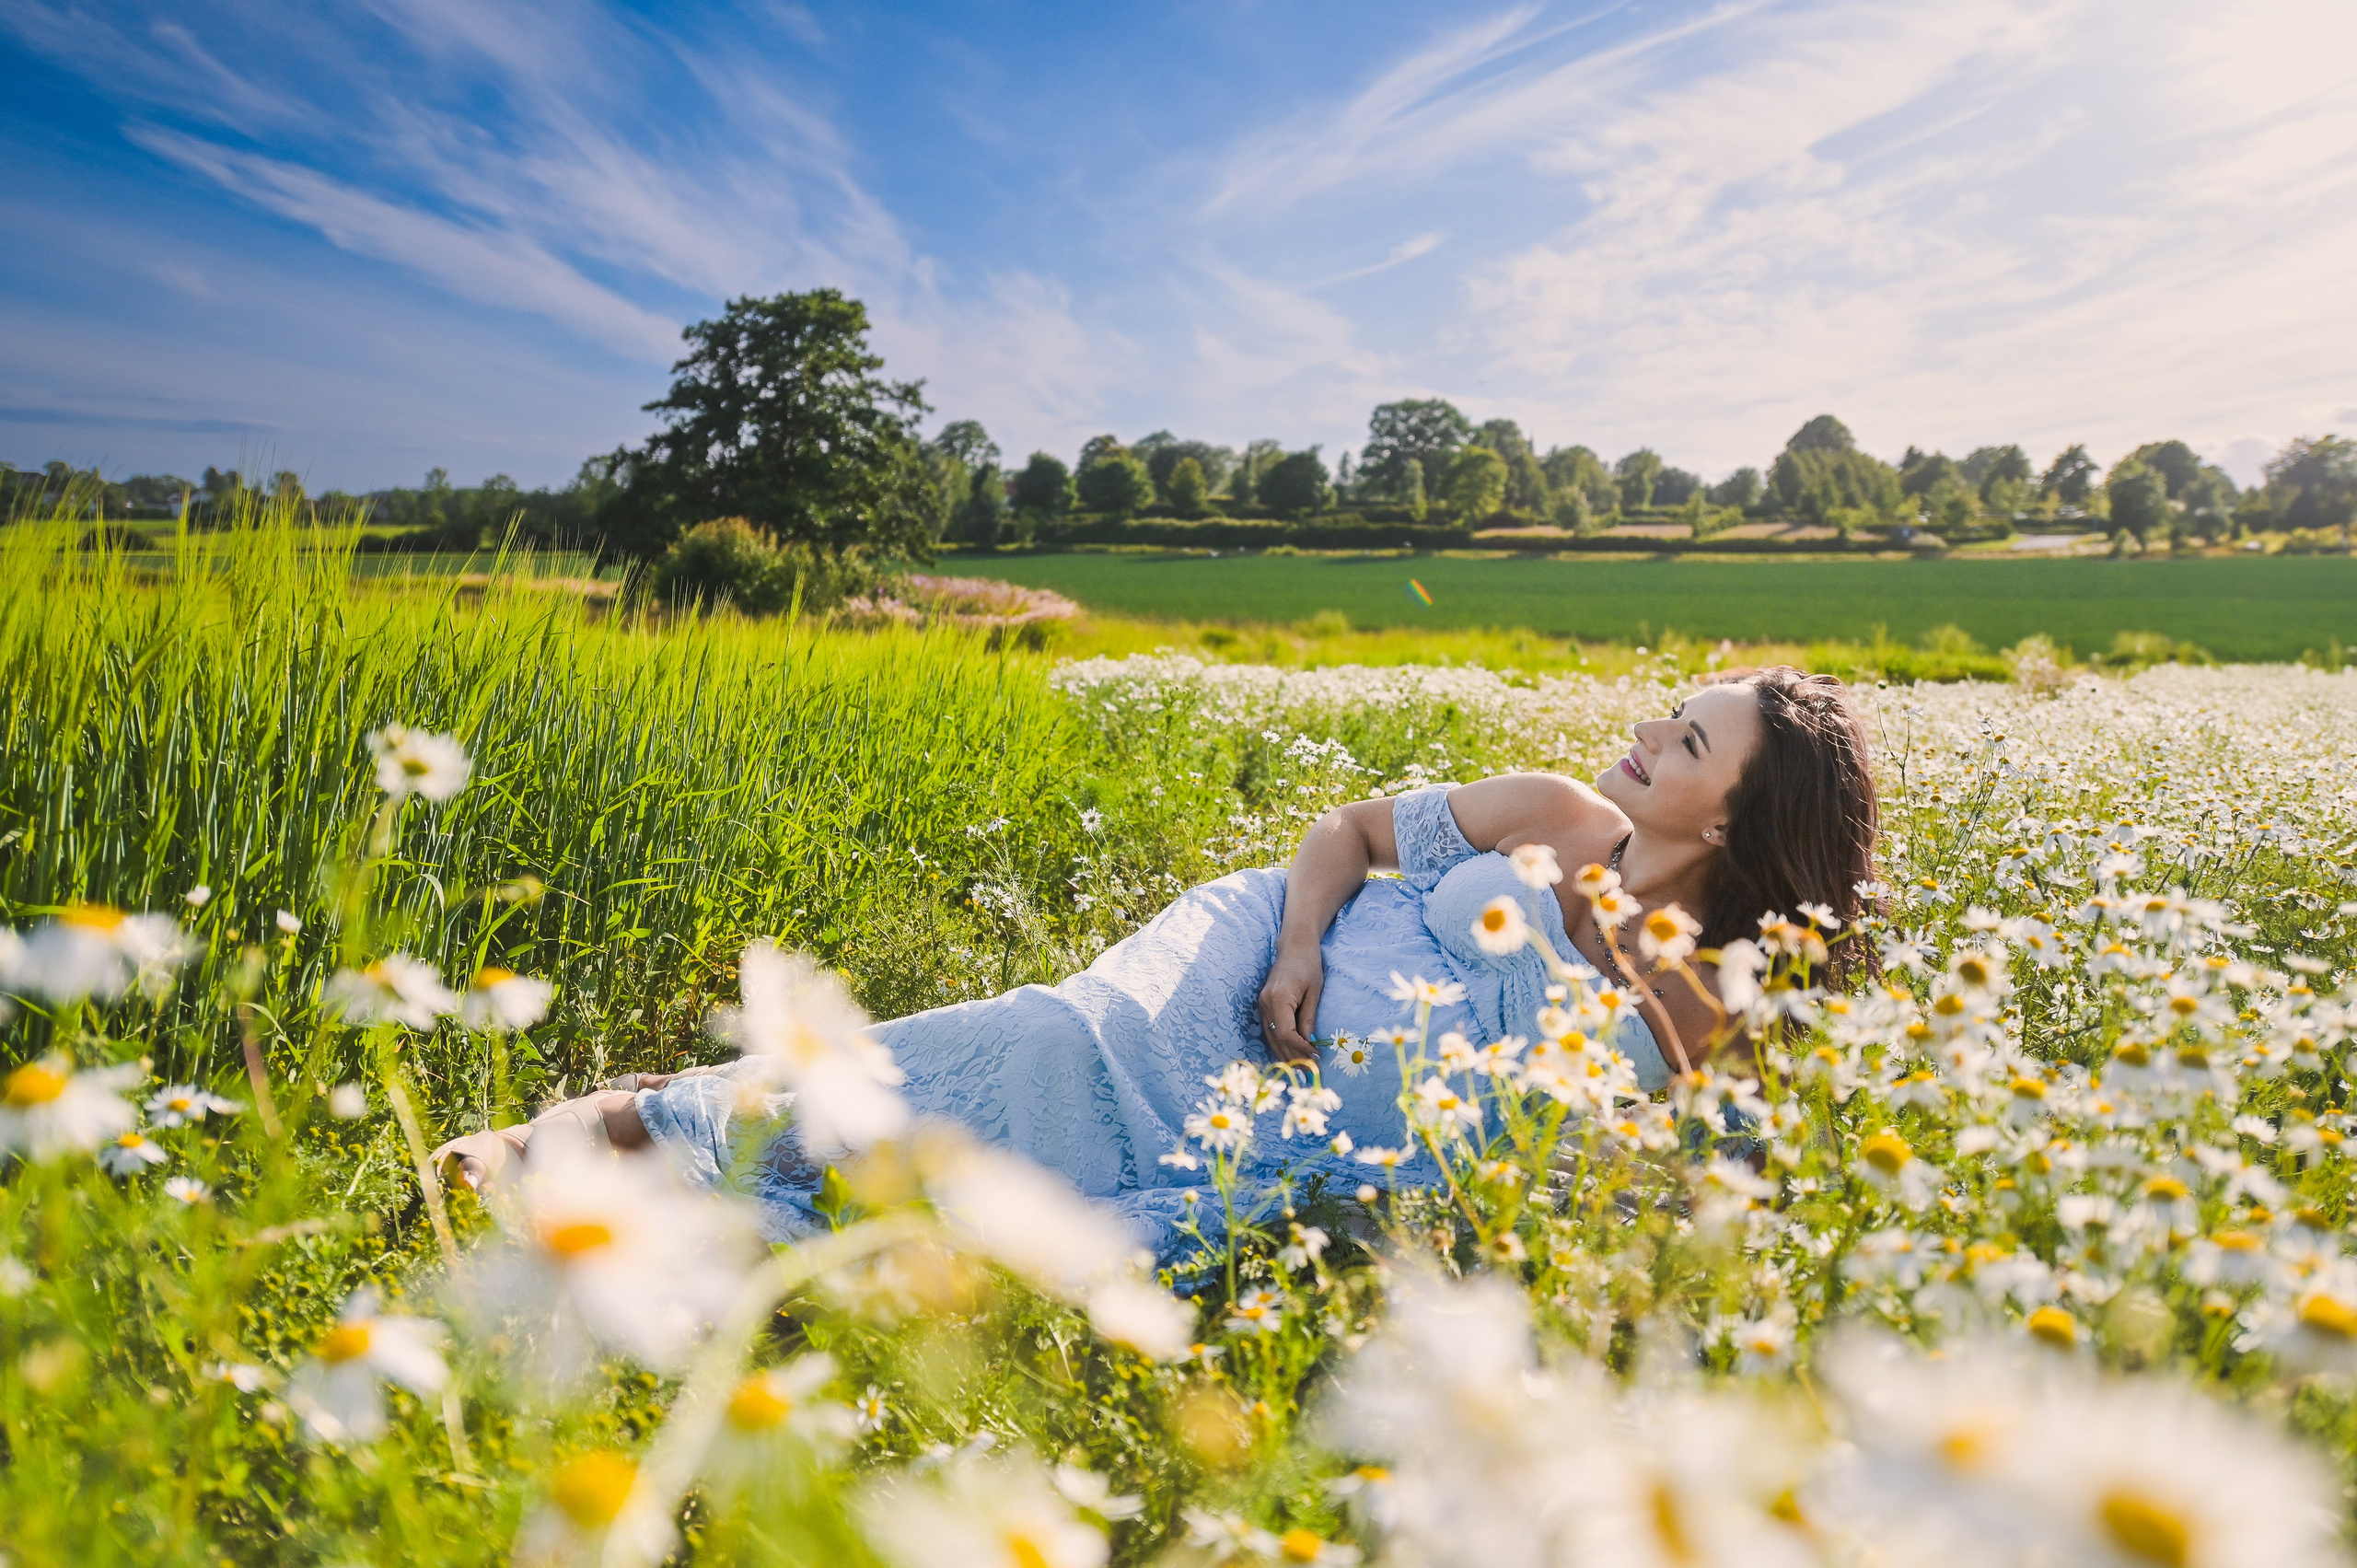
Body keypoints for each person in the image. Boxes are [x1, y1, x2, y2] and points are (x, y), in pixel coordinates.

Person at [433, 668, 1879, 1258]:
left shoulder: (1706, 993)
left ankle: (712, 1156)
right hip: (1245, 970)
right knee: (1049, 1044)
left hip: (1294, 1135)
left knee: (1041, 1228)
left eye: (1687, 743)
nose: (1646, 734)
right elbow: (1350, 832)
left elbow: (1663, 1165)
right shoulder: (1561, 815)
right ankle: (630, 1122)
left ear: (1743, 816)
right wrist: (1299, 947)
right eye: (1671, 709)